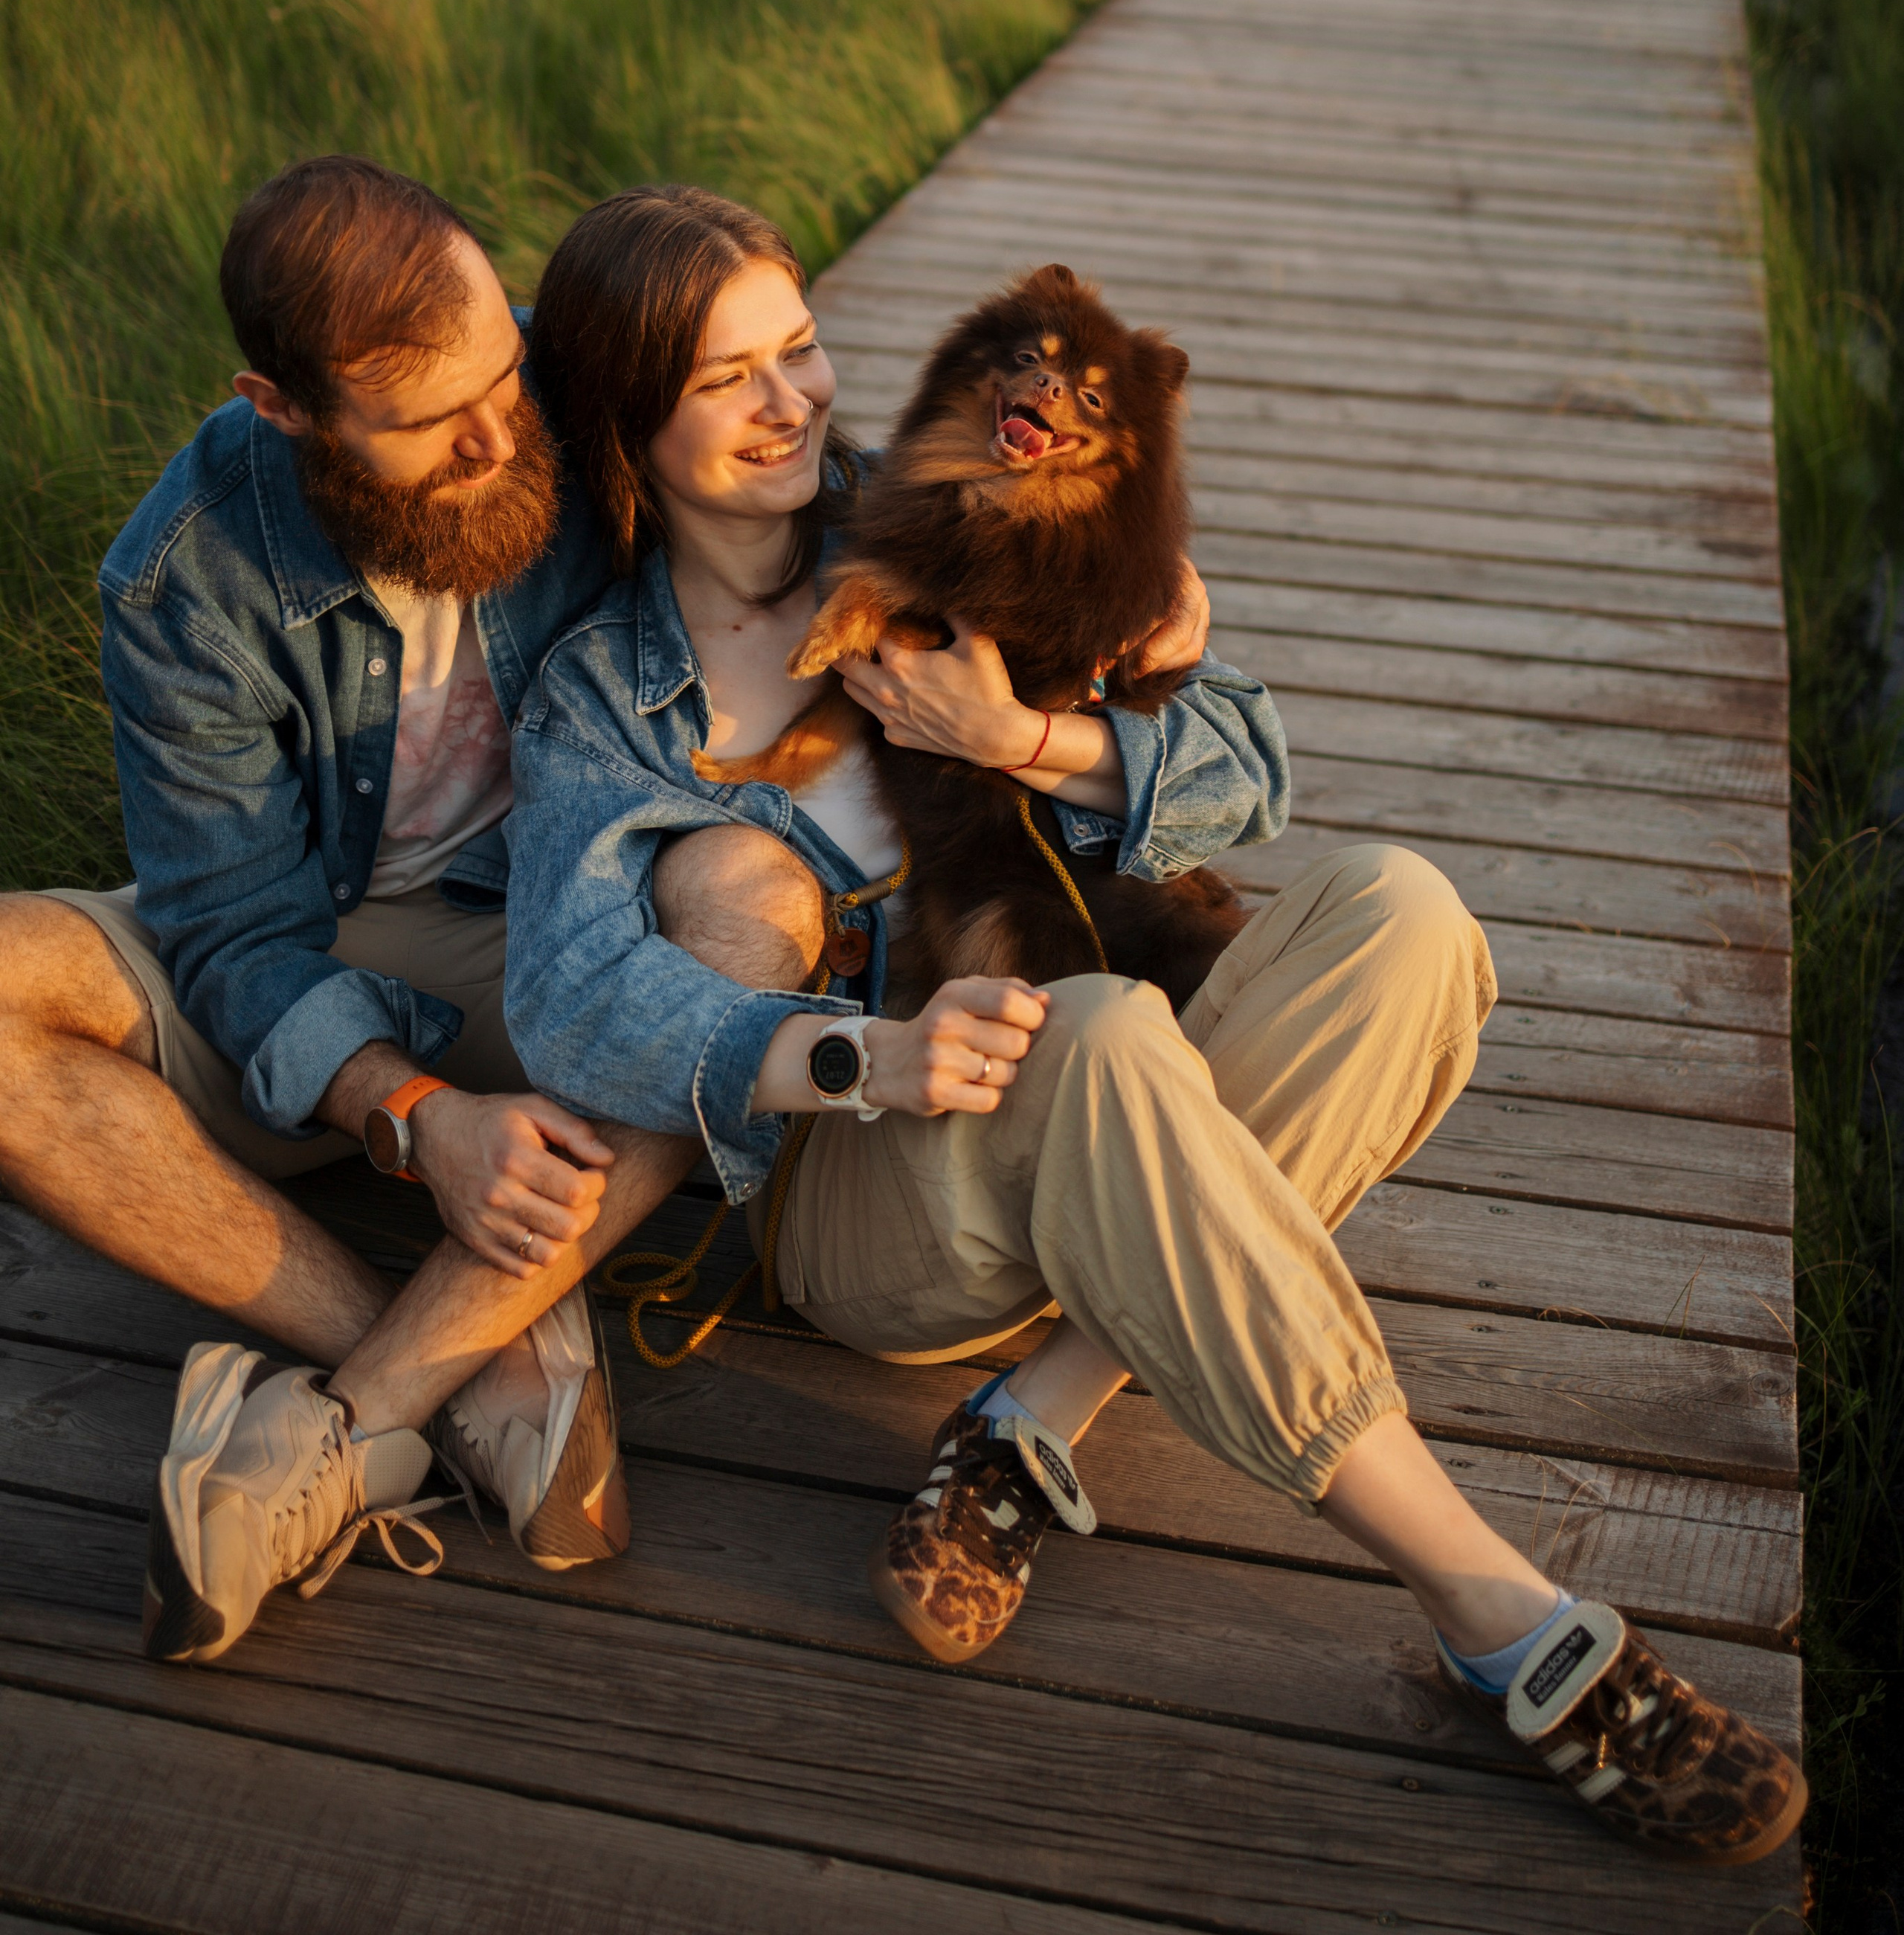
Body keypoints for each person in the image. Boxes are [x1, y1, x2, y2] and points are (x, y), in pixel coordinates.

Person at [504, 179, 1807, 1874]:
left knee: (1404, 911)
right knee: (1108, 1030)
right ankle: (1504, 1614)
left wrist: (1022, 736)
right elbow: (568, 995)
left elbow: (1251, 767)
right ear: (628, 422)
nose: (791, 401)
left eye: (799, 347)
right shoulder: (601, 694)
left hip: (1107, 1107)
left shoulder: (962, 503)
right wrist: (857, 1053)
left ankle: (1037, 1411)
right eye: (721, 378)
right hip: (884, 1193)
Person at [0, 156, 700, 1666]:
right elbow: (235, 933)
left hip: (575, 942)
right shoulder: (185, 577)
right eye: (435, 422)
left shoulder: (578, 381)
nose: (498, 434)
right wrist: (417, 1119)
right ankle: (465, 1357)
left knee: (748, 906)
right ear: (285, 409)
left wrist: (1109, 627)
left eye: (501, 374)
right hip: (318, 945)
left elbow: (810, 496)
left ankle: (364, 1406)